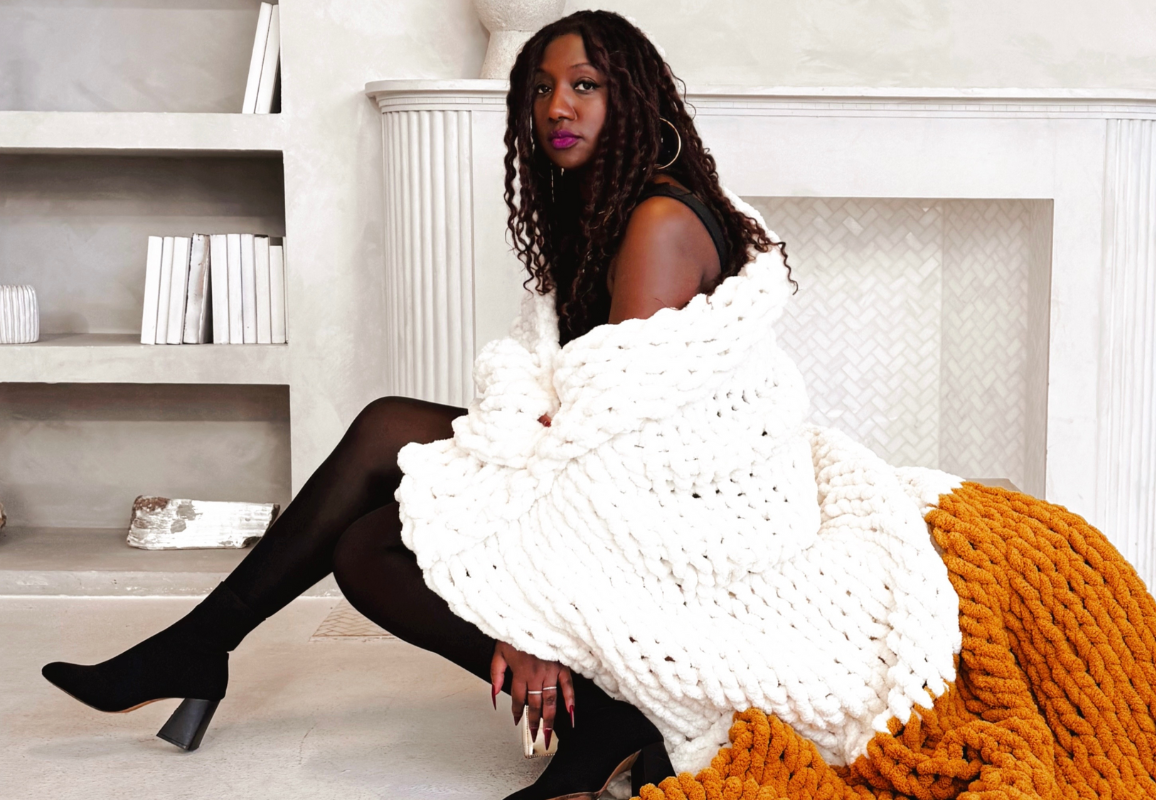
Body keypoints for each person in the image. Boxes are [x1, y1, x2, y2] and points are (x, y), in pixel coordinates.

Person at [41, 11, 791, 800]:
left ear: (635, 100)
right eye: (541, 89)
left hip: (671, 515)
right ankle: (203, 644)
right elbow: (557, 389)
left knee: (378, 494)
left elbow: (614, 451)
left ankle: (608, 716)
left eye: (585, 86)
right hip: (614, 477)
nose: (556, 108)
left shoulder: (658, 222)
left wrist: (518, 610)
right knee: (377, 486)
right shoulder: (606, 211)